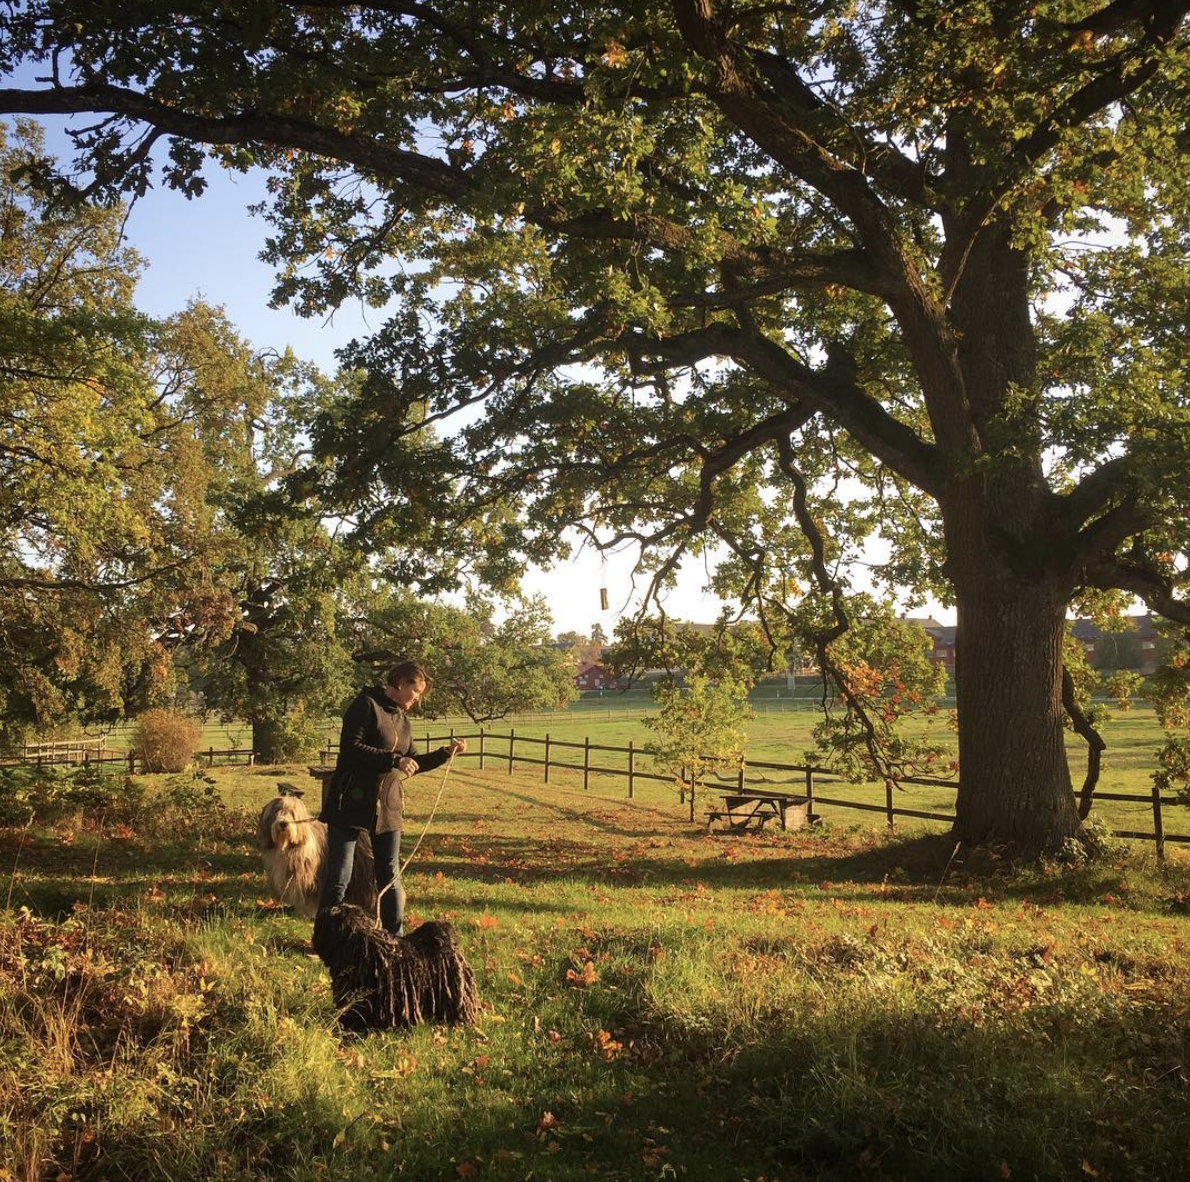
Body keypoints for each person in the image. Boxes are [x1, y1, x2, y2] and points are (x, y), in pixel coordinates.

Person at [318, 660, 466, 937]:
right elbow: (351, 747)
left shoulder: (402, 720)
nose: (418, 698)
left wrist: (445, 753)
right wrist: (394, 760)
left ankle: (394, 941)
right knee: (340, 877)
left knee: (390, 876)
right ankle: (326, 940)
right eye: (416, 691)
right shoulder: (365, 705)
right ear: (400, 683)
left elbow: (413, 761)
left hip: (387, 807)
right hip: (350, 802)